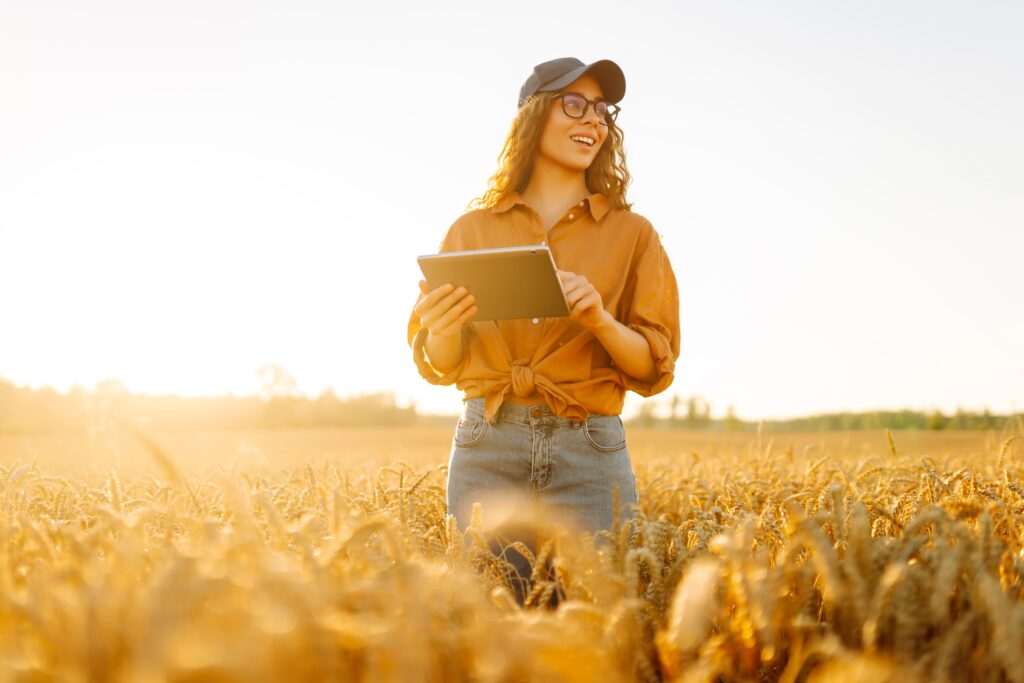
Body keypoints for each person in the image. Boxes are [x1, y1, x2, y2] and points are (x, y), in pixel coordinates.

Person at [407, 57, 680, 603]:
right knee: (489, 624)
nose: (594, 121)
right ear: (532, 118)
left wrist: (600, 321)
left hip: (590, 452)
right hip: (488, 444)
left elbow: (655, 364)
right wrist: (441, 328)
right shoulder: (472, 229)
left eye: (603, 111)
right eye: (574, 104)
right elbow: (443, 362)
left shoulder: (634, 234)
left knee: (593, 625)